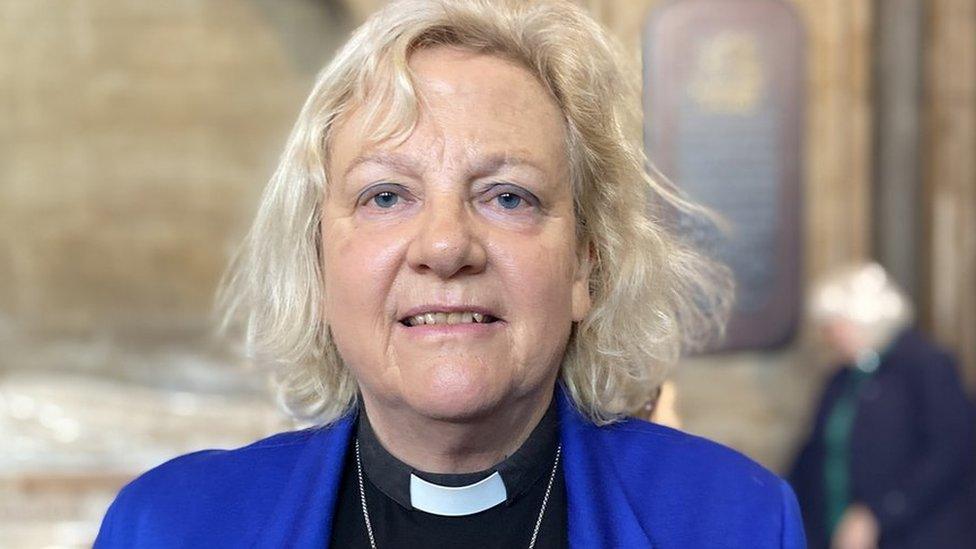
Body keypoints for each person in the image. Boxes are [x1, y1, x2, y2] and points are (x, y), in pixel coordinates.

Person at [94, 1, 805, 547]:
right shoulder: (170, 526)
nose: (444, 245)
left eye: (507, 196)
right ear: (317, 262)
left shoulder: (734, 520)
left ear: (586, 264)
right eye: (385, 196)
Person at [789, 263, 976, 549]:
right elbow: (814, 451)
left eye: (835, 325)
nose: (829, 337)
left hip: (919, 534)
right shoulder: (842, 378)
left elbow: (950, 450)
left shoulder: (925, 364)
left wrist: (880, 513)